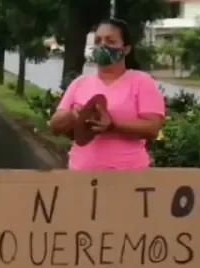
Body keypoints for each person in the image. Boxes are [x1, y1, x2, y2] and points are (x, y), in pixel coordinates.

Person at [48, 18, 165, 170]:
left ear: (126, 49)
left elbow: (152, 128)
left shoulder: (141, 82)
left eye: (110, 41)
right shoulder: (80, 83)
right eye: (98, 41)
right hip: (81, 175)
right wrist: (73, 115)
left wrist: (113, 126)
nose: (102, 45)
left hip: (129, 177)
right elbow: (55, 124)